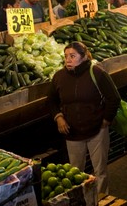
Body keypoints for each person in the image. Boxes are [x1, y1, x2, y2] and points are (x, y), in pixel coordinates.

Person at [47, 41, 121, 195]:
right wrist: (58, 117)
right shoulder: (59, 77)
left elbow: (114, 98)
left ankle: (101, 202)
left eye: (72, 56)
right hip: (72, 133)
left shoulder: (97, 73)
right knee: (75, 172)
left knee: (99, 171)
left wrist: (106, 120)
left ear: (83, 57)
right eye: (66, 56)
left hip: (97, 131)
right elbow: (51, 101)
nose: (68, 59)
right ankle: (79, 204)